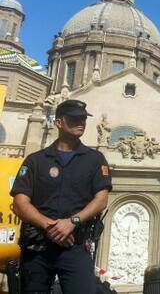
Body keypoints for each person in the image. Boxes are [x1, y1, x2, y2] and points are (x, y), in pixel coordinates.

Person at [10, 99, 112, 293]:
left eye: (83, 118)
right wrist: (51, 226)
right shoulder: (35, 161)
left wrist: (71, 222)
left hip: (75, 245)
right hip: (37, 248)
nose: (81, 122)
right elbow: (20, 202)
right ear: (58, 122)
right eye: (74, 118)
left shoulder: (95, 159)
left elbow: (101, 200)